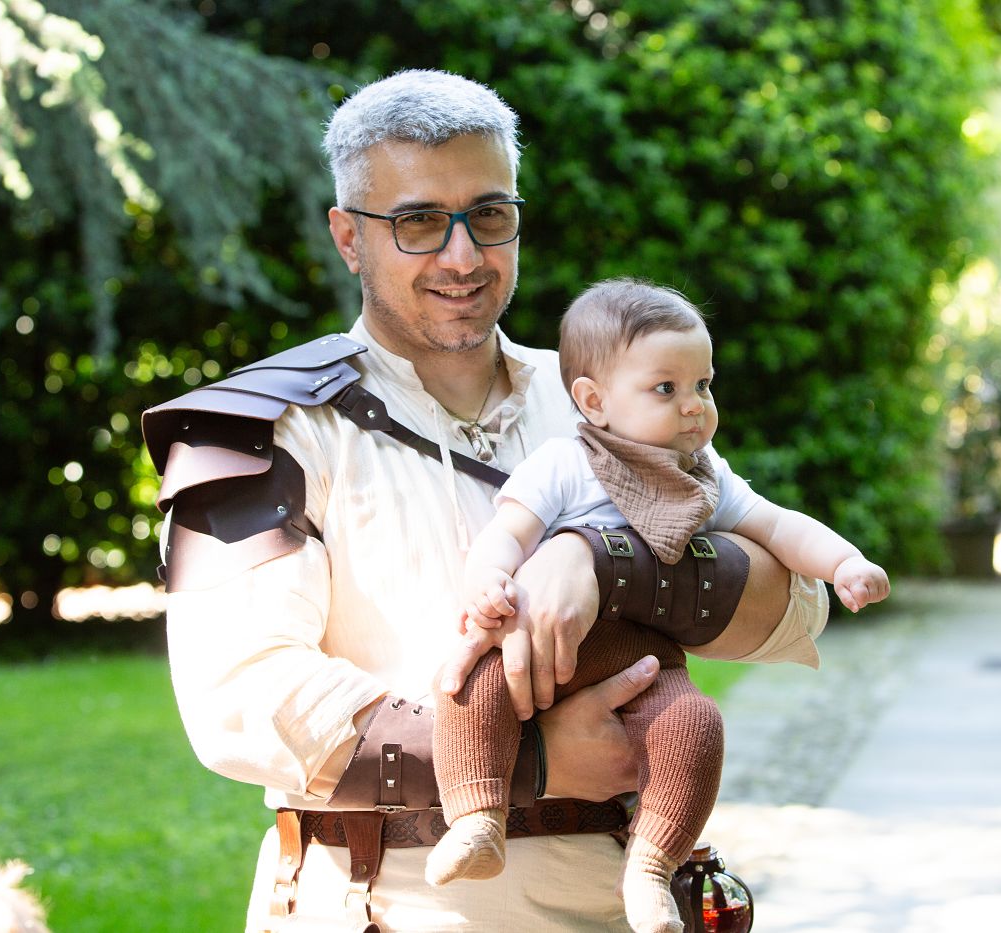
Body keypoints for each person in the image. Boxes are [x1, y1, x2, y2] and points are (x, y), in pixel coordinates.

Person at [143, 69, 832, 932]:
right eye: (419, 222)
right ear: (349, 236)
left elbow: (793, 604)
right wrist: (535, 761)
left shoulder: (602, 396)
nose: (463, 256)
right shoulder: (261, 432)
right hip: (388, 909)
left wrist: (600, 560)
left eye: (489, 214)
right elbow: (241, 702)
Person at [428, 279, 890, 932]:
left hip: (646, 661)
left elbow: (776, 525)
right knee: (468, 683)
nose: (694, 406)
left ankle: (650, 866)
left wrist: (844, 563)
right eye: (666, 388)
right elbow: (508, 531)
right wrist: (489, 579)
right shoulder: (568, 463)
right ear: (594, 401)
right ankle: (476, 817)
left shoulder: (704, 475)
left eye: (703, 385)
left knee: (695, 725)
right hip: (543, 649)